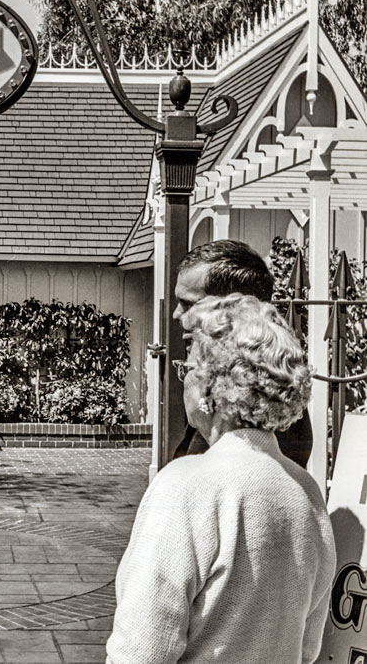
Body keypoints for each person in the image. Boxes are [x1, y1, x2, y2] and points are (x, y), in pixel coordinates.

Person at [107, 294, 336, 664]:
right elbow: (308, 649)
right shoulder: (305, 494)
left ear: (211, 391)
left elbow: (140, 649)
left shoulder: (185, 487)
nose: (183, 379)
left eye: (190, 366)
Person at [172, 239, 313, 468]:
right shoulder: (223, 380)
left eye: (188, 304)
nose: (176, 314)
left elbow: (255, 482)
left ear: (235, 306)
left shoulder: (270, 392)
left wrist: (205, 422)